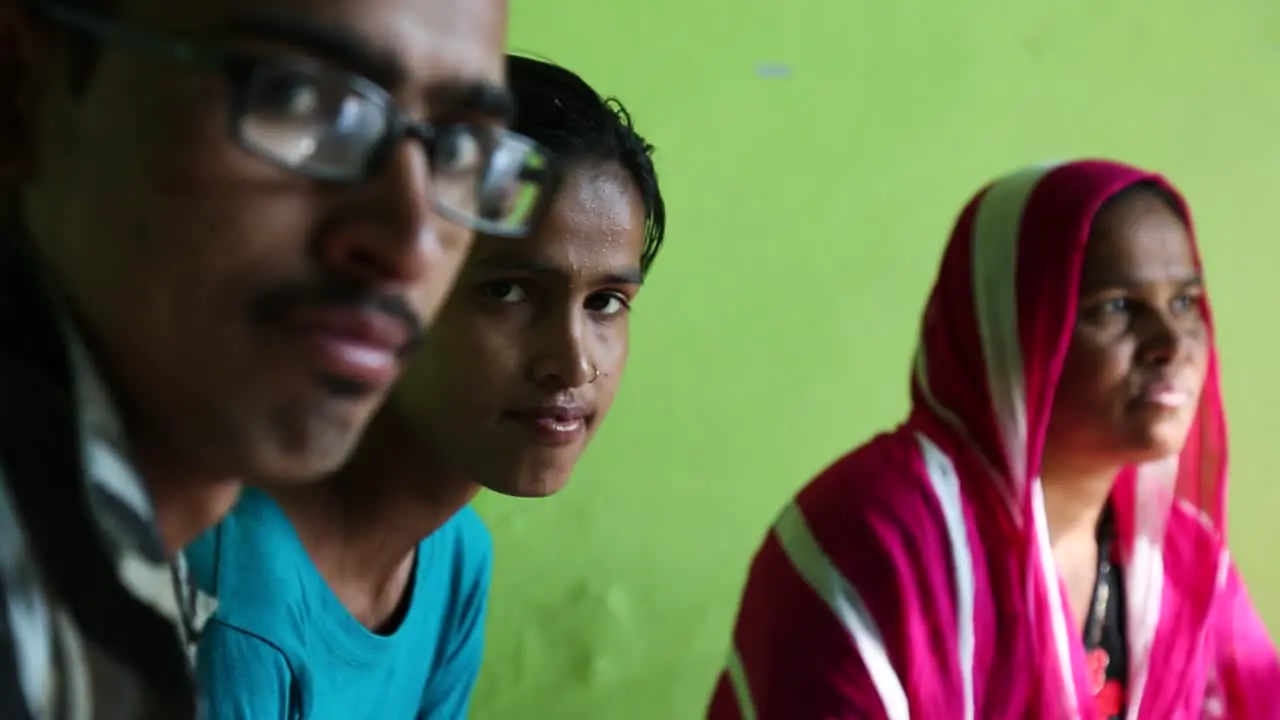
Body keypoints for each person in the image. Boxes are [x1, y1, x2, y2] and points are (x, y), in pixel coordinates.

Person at [0, 0, 554, 716]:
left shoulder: (107, 582)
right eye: (302, 101)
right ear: (20, 92)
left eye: (459, 153)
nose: (411, 240)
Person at [707, 159, 1280, 719]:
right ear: (1013, 327)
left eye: (1185, 302)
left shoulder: (1181, 562)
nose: (1171, 342)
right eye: (1118, 307)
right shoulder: (876, 535)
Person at [186, 54, 666, 719]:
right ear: (392, 285)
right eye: (506, 291)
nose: (573, 363)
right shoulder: (242, 602)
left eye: (606, 302)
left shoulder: (454, 558)